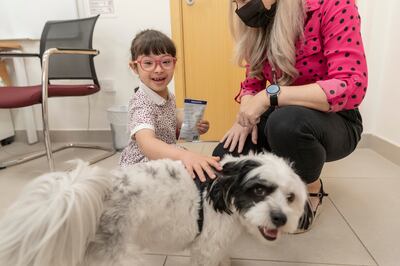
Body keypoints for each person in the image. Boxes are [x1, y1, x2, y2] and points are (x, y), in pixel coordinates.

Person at [213, 0, 367, 232]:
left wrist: (269, 96)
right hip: (279, 114)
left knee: (286, 123)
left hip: (334, 119)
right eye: (236, 1)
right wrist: (245, 115)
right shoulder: (262, 19)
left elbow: (351, 84)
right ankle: (274, 187)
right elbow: (252, 81)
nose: (241, 7)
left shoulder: (334, 5)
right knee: (226, 157)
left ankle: (311, 186)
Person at [120, 29, 221, 182]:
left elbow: (168, 118)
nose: (159, 69)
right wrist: (185, 156)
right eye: (148, 63)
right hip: (142, 167)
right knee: (194, 170)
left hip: (164, 156)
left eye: (165, 62)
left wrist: (189, 125)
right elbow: (147, 143)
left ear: (174, 63)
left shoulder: (167, 95)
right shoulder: (141, 104)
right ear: (135, 67)